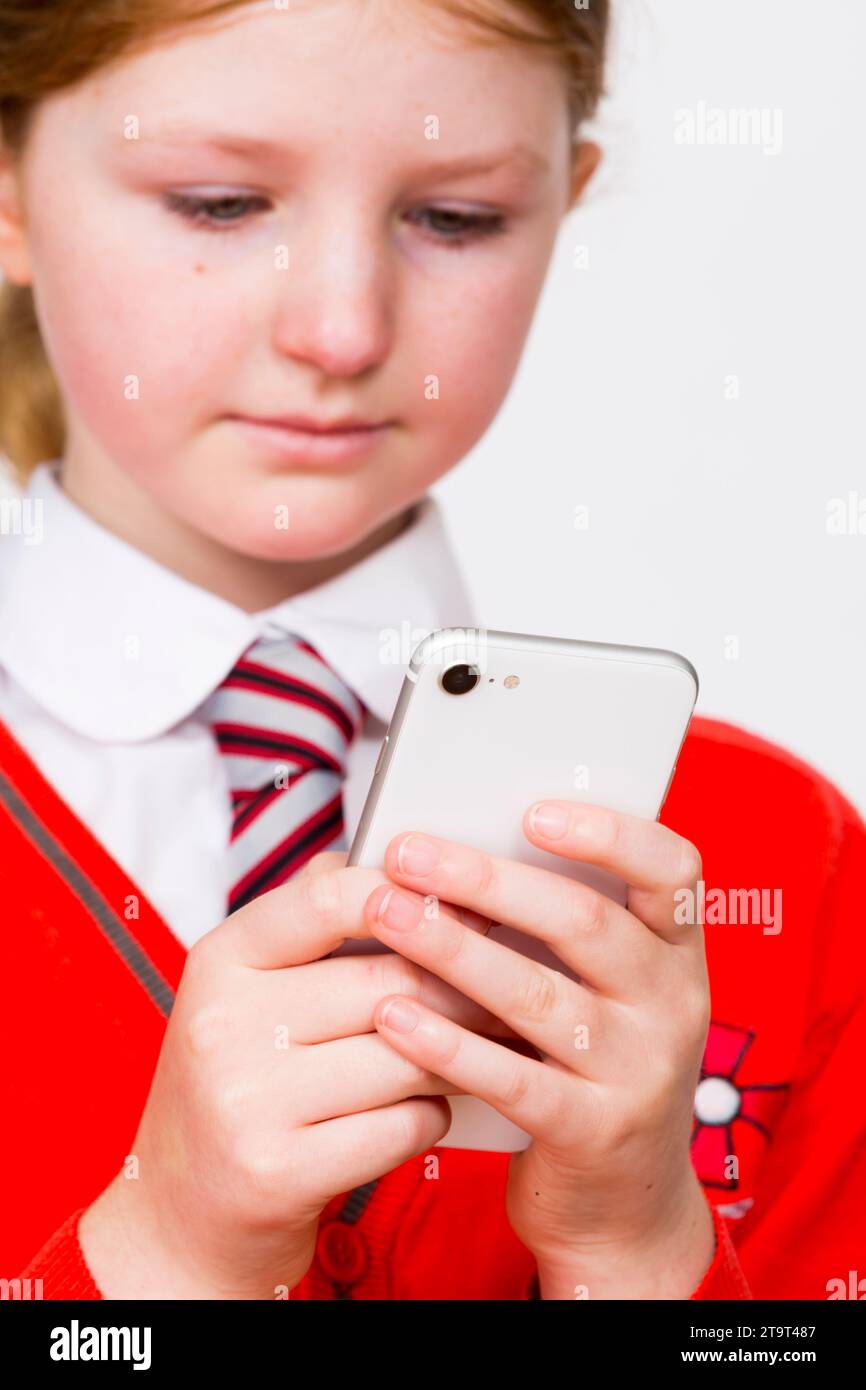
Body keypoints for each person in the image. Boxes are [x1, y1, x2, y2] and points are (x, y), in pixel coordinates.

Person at [0, 0, 862, 1301]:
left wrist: (630, 1252)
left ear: (565, 199)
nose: (341, 332)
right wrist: (160, 1263)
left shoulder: (771, 853)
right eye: (220, 203)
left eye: (454, 219)